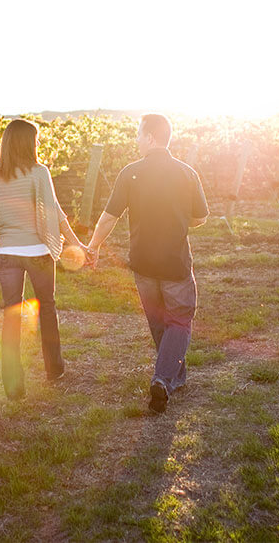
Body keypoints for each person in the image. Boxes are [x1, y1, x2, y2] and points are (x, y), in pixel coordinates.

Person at [87, 114, 209, 413]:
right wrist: (180, 221)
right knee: (179, 320)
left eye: (139, 135)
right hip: (175, 263)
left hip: (142, 263)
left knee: (158, 321)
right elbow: (201, 217)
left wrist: (93, 247)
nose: (136, 140)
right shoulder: (187, 173)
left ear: (151, 138)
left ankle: (170, 377)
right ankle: (165, 379)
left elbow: (109, 217)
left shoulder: (130, 173)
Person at [0, 118, 85, 400]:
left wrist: (1, 233)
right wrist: (78, 244)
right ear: (27, 142)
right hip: (37, 254)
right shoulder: (39, 172)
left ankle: (13, 385)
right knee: (47, 308)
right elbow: (55, 213)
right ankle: (54, 370)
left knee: (11, 316)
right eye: (35, 139)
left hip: (6, 254)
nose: (38, 144)